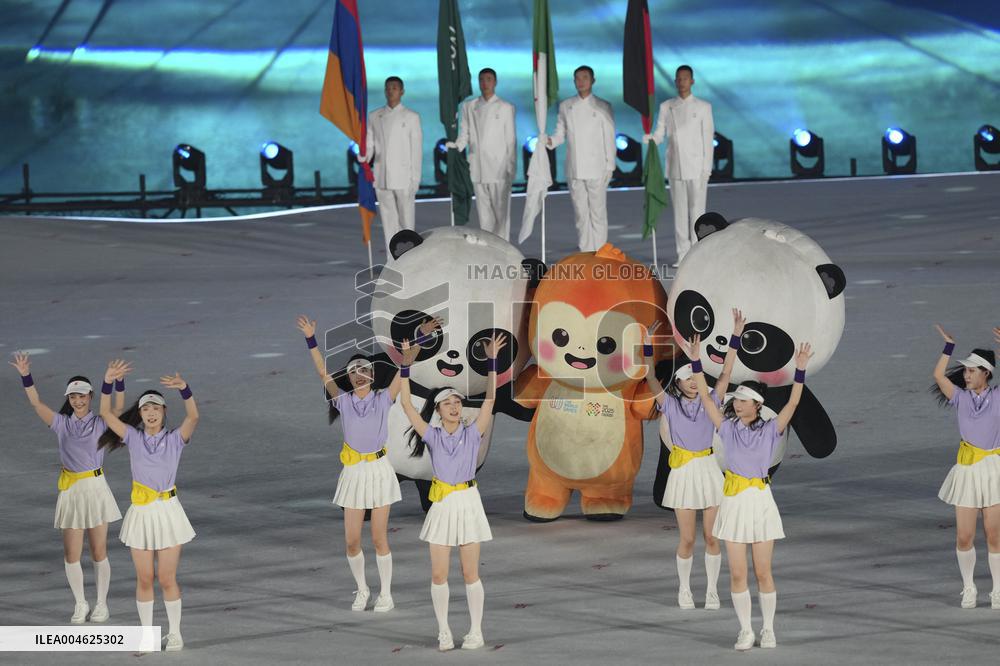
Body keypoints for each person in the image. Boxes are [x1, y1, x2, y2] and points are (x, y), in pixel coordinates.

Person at [295, 315, 438, 612]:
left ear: (372, 375)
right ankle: (362, 589)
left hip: (379, 472)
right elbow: (322, 372)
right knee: (351, 541)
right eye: (354, 370)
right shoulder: (342, 401)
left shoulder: (385, 398)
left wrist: (422, 337)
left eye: (364, 369)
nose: (359, 373)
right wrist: (310, 339)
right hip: (353, 473)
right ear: (349, 377)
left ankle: (385, 593)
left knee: (378, 537)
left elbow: (405, 366)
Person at [690, 332, 813, 651]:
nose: (736, 403)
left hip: (760, 503)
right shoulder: (727, 428)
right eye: (736, 400)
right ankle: (745, 630)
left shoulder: (772, 428)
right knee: (738, 574)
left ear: (756, 405)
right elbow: (705, 398)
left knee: (763, 572)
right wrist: (695, 361)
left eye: (742, 400)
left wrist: (799, 370)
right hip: (732, 504)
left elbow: (794, 401)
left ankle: (768, 629)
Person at [398, 333, 505, 651]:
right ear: (439, 410)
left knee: (470, 572)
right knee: (440, 573)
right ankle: (444, 630)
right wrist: (405, 366)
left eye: (457, 402)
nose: (455, 407)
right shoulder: (430, 434)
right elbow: (405, 403)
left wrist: (492, 363)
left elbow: (490, 400)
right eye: (449, 403)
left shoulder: (474, 432)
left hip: (468, 502)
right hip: (442, 505)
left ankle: (476, 630)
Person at [9, 352, 126, 624]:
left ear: (90, 396)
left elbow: (118, 408)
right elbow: (36, 402)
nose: (78, 400)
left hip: (95, 489)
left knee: (99, 551)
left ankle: (101, 604)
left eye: (82, 395)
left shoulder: (101, 421)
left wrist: (117, 382)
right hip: (71, 491)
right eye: (73, 396)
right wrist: (26, 374)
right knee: (71, 554)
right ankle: (80, 603)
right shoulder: (60, 424)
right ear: (69, 399)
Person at [643, 311, 743, 610]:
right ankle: (684, 589)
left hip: (709, 469)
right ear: (678, 383)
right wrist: (647, 345)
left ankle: (712, 590)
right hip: (683, 473)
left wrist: (736, 336)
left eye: (693, 378)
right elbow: (648, 375)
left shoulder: (712, 400)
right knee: (687, 539)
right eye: (686, 379)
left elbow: (726, 373)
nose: (691, 383)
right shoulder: (669, 404)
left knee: (712, 537)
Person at [98, 361, 199, 652]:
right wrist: (107, 382)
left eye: (155, 408)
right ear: (140, 415)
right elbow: (105, 412)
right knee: (144, 578)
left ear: (164, 412)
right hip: (141, 514)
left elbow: (193, 416)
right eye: (145, 409)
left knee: (167, 578)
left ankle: (175, 634)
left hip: (168, 513)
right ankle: (146, 635)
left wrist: (185, 389)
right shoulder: (133, 437)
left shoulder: (176, 439)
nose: (151, 413)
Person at [932, 324, 1000, 610]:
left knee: (994, 534)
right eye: (965, 370)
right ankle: (969, 587)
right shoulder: (959, 398)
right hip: (967, 471)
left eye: (972, 370)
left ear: (986, 373)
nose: (966, 374)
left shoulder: (997, 398)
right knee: (964, 536)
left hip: (994, 469)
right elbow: (938, 375)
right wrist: (948, 347)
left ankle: (997, 590)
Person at [645, 65, 714, 267]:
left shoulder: (703, 107)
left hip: (697, 168)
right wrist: (651, 139)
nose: (681, 82)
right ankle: (682, 253)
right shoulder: (667, 106)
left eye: (685, 78)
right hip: (675, 167)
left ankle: (698, 252)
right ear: (675, 81)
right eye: (678, 78)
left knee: (697, 212)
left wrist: (706, 169)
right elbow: (660, 133)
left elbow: (707, 139)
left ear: (692, 81)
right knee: (680, 213)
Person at [547, 65, 616, 252]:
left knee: (597, 212)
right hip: (574, 167)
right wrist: (550, 140)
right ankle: (586, 251)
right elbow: (560, 133)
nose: (581, 81)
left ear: (592, 80)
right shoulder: (566, 106)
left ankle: (600, 251)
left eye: (585, 77)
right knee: (580, 213)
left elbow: (609, 137)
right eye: (577, 78)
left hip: (597, 167)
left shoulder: (603, 106)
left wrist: (610, 166)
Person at [447, 68, 517, 240]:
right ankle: (489, 248)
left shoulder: (505, 107)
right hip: (478, 167)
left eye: (488, 79)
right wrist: (457, 146)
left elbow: (510, 140)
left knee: (501, 214)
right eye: (482, 80)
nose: (485, 83)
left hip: (499, 168)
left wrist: (511, 167)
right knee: (484, 214)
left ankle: (503, 249)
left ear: (495, 82)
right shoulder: (469, 106)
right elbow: (465, 133)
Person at [360, 76, 423, 253]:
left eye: (394, 88)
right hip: (382, 177)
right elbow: (371, 144)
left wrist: (415, 179)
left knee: (406, 221)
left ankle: (410, 258)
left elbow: (416, 150)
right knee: (388, 221)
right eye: (388, 88)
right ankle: (391, 259)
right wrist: (364, 156)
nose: (391, 91)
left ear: (402, 91)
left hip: (404, 178)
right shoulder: (374, 116)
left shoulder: (411, 117)